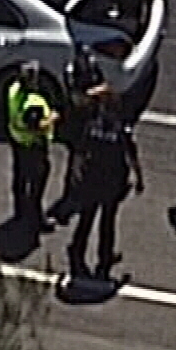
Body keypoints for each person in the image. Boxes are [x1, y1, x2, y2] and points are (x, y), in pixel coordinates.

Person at [68, 84, 144, 280]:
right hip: (112, 181)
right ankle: (104, 256)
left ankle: (77, 250)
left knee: (87, 218)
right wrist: (139, 178)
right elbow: (131, 156)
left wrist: (75, 175)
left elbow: (80, 151)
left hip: (91, 178)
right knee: (107, 221)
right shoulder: (121, 129)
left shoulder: (92, 125)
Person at [49, 50, 105, 226]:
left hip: (88, 125)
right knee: (76, 165)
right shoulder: (73, 77)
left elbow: (102, 87)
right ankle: (71, 196)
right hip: (77, 129)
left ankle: (77, 193)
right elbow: (76, 99)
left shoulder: (92, 71)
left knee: (85, 163)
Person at [5, 61, 58, 230]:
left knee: (20, 178)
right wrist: (53, 117)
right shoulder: (32, 103)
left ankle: (20, 211)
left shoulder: (13, 90)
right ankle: (36, 217)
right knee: (37, 183)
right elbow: (36, 127)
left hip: (18, 140)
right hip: (33, 145)